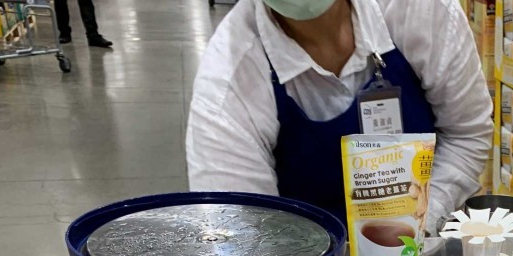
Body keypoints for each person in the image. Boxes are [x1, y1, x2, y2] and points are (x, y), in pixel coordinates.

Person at [186, 0, 493, 234]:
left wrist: (419, 223)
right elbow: (244, 234)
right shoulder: (227, 86)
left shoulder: (421, 11)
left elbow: (465, 135)